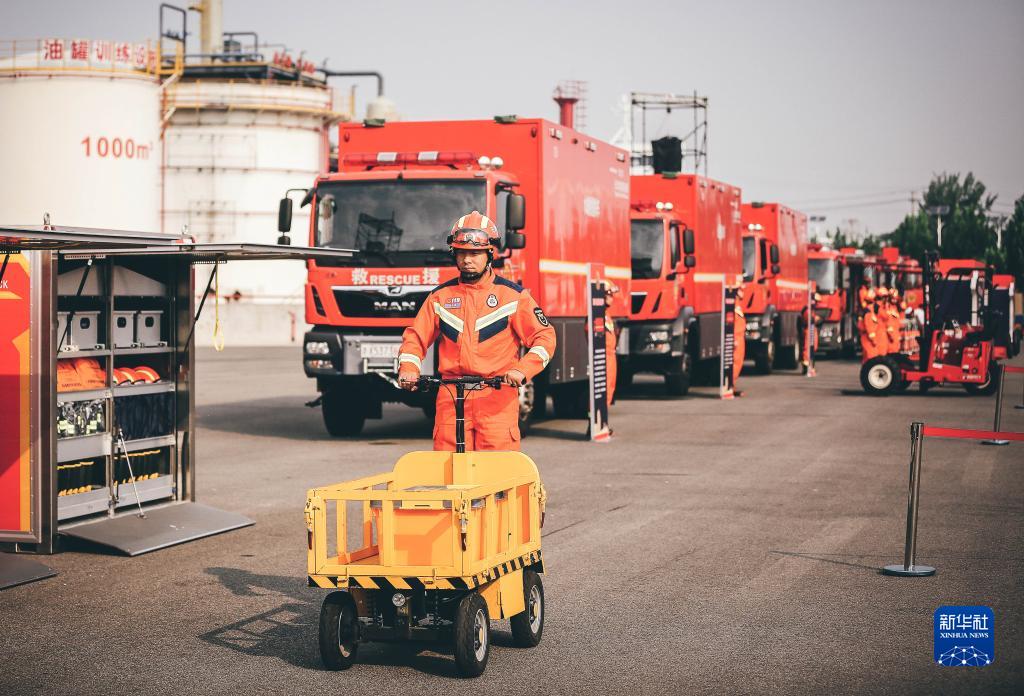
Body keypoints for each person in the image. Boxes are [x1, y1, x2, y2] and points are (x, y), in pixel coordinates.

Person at [398, 211, 557, 451]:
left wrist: (522, 370)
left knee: (497, 469)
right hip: (451, 398)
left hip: (497, 398)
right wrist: (409, 369)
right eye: (461, 253)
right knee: (449, 469)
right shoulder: (439, 297)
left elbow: (545, 337)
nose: (467, 260)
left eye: (474, 254)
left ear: (490, 254)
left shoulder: (514, 297)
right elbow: (415, 338)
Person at [600, 281, 620, 404]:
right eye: (610, 295)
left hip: (611, 355)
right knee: (603, 387)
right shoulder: (598, 316)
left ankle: (603, 414)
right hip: (604, 356)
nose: (612, 298)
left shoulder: (606, 314)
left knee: (610, 386)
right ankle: (596, 414)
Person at [733, 287, 746, 395]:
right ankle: (731, 386)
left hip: (740, 336)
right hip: (737, 337)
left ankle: (732, 385)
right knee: (735, 362)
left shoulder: (738, 304)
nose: (743, 293)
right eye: (741, 290)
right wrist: (734, 339)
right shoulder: (734, 304)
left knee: (738, 362)